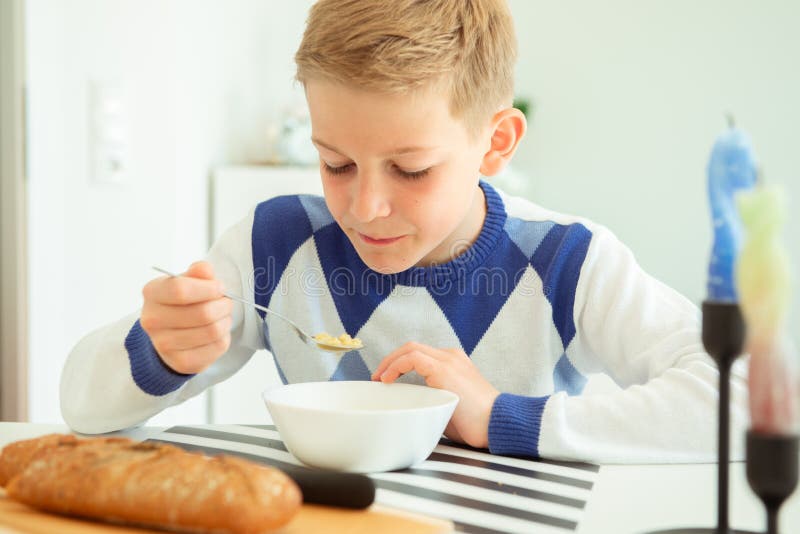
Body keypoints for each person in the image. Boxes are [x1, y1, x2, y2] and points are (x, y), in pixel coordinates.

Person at [61, 0, 748, 463]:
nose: (364, 207)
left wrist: (504, 418)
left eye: (411, 170)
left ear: (496, 144)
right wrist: (157, 352)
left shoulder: (567, 261)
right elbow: (81, 408)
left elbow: (744, 400)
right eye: (334, 162)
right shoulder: (274, 247)